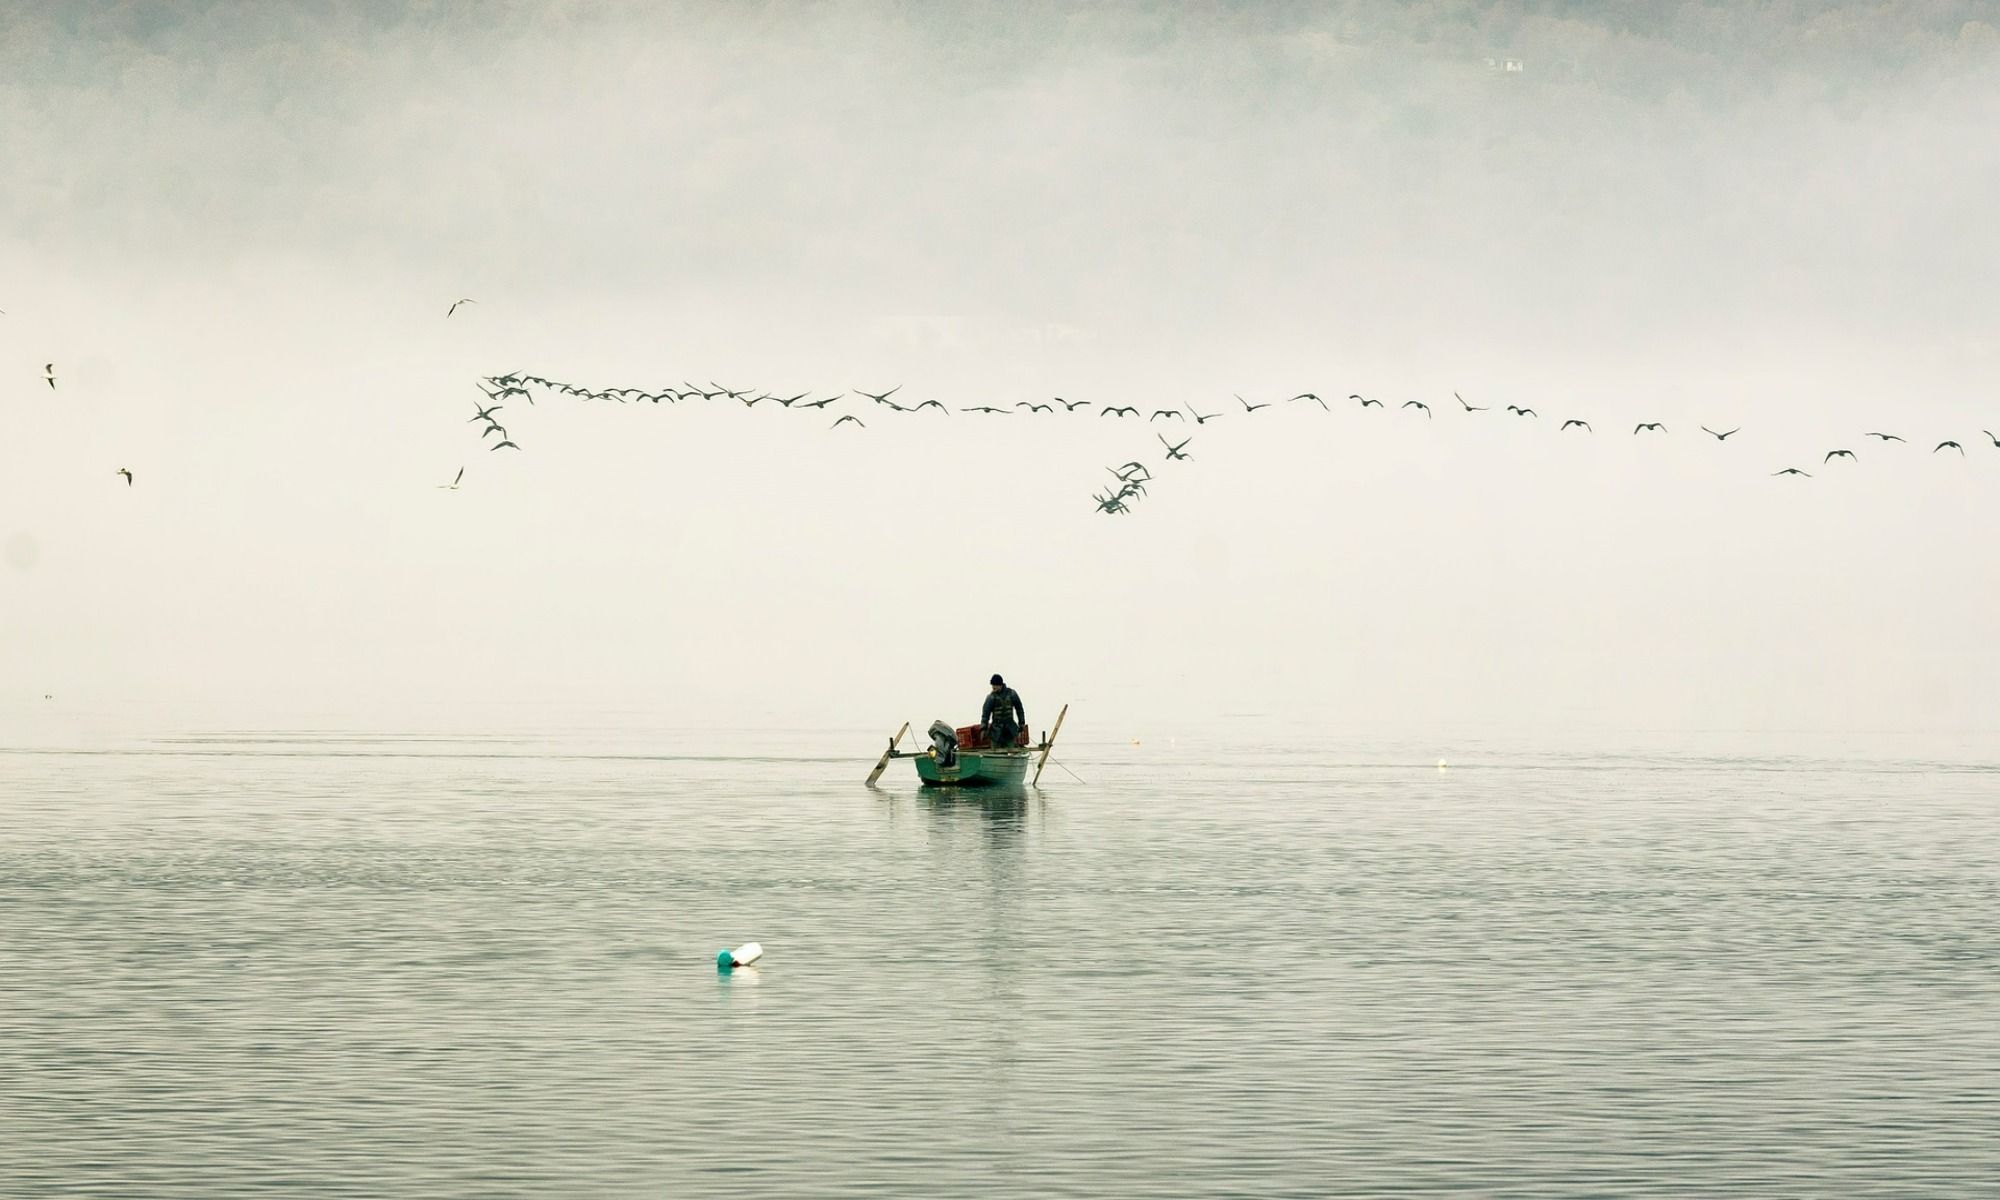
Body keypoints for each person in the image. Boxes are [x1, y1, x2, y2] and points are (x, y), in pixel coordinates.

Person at [981, 674, 1026, 748]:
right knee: (995, 754)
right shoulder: (991, 697)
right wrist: (983, 728)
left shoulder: (1012, 694)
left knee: (1011, 751)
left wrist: (1021, 723)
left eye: (995, 685)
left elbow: (1019, 709)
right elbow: (985, 714)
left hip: (1010, 729)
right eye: (992, 685)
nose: (993, 687)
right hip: (996, 731)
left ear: (1000, 685)